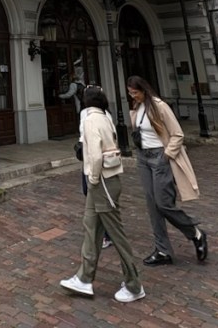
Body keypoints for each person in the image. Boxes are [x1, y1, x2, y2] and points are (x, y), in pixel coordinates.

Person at [60, 86, 145, 304]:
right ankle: (84, 278)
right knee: (91, 228)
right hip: (107, 180)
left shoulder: (90, 120)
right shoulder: (106, 117)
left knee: (116, 233)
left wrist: (94, 178)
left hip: (102, 182)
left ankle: (134, 285)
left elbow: (96, 156)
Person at [127, 75, 208, 266]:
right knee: (152, 206)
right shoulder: (137, 107)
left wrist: (166, 155)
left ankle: (195, 233)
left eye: (135, 92)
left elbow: (177, 134)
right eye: (130, 93)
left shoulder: (159, 106)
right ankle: (162, 250)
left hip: (159, 157)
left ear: (144, 90)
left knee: (163, 204)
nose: (132, 96)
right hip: (143, 158)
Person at [76, 85, 112, 249]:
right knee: (88, 192)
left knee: (96, 195)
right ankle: (102, 233)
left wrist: (94, 175)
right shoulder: (85, 113)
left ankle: (105, 234)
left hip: (97, 159)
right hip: (87, 157)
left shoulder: (103, 115)